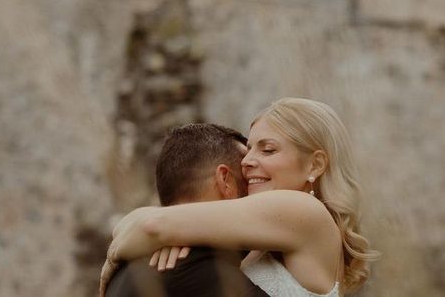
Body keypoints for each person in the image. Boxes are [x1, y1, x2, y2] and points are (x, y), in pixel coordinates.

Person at [106, 98, 378, 296]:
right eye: (249, 150)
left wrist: (115, 256)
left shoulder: (304, 210)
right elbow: (158, 223)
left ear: (315, 165)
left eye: (268, 150)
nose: (247, 161)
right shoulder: (267, 237)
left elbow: (154, 225)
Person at [102, 123, 270, 297]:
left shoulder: (132, 265)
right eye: (248, 179)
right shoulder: (201, 268)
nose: (255, 193)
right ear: (225, 180)